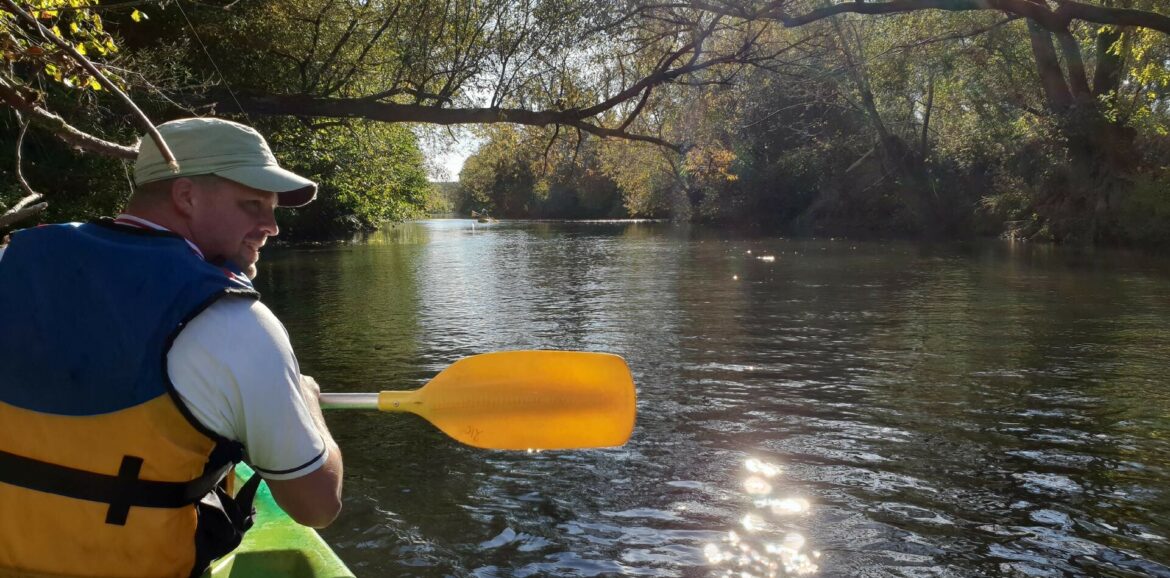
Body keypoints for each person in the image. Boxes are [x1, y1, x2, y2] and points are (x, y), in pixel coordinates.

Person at [0, 117, 343, 578]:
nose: (272, 226)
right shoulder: (235, 322)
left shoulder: (9, 261)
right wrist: (308, 403)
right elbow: (317, 506)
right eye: (253, 204)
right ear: (186, 196)